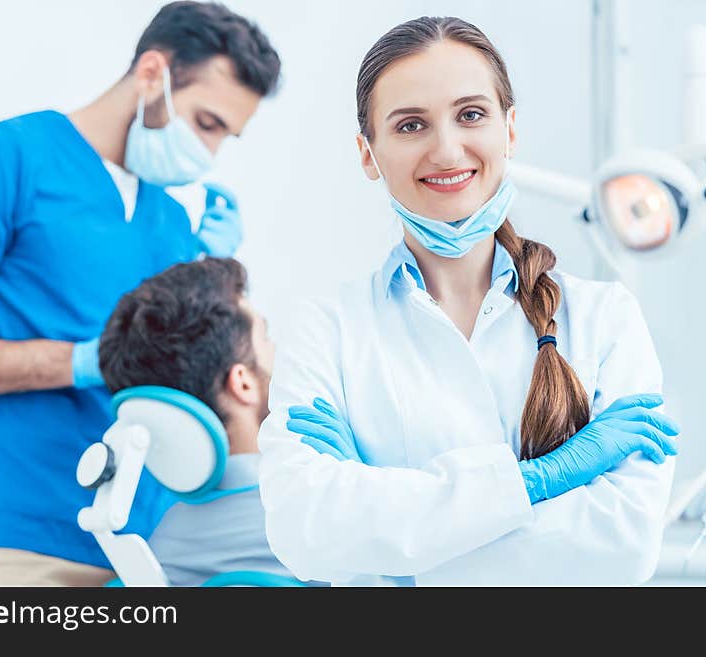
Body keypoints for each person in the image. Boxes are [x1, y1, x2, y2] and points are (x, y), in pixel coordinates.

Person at [256, 16, 680, 586]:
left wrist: (393, 543)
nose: (447, 148)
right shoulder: (326, 328)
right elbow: (304, 531)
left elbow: (623, 549)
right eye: (410, 125)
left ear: (510, 130)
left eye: (471, 114)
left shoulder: (605, 318)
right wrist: (543, 480)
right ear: (367, 153)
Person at [0, 1, 281, 586]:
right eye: (207, 124)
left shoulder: (171, 223)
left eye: (226, 137)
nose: (208, 155)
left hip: (151, 554)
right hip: (25, 539)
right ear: (152, 75)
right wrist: (84, 360)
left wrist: (211, 272)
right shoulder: (8, 160)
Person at [98, 258, 302, 586]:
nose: (277, 351)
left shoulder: (156, 552)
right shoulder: (320, 515)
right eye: (266, 338)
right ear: (242, 383)